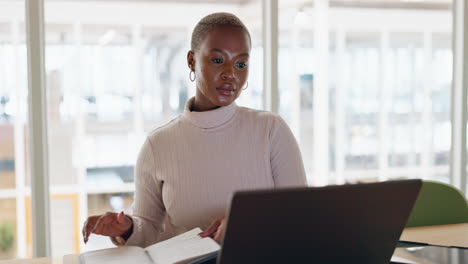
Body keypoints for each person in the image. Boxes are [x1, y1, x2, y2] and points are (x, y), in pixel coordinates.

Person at [82, 12, 306, 248]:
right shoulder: (158, 145)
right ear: (191, 60)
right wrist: (125, 228)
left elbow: (301, 215)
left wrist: (245, 224)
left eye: (241, 63)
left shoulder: (271, 131)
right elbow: (147, 230)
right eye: (218, 60)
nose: (231, 73)